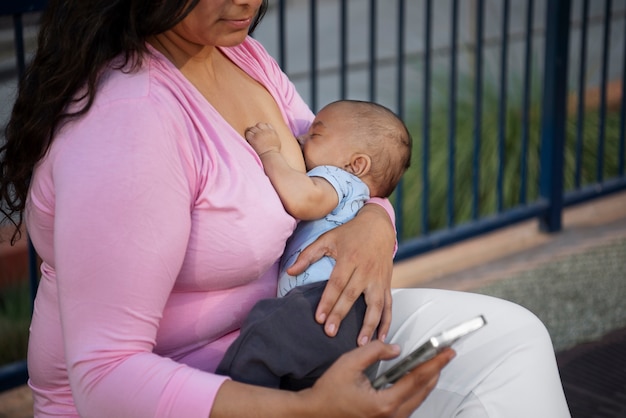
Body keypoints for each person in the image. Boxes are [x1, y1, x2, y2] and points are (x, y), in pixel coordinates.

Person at [0, 0, 571, 417]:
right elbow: (104, 378)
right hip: (208, 389)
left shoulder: (240, 55)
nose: (248, 0)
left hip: (291, 344)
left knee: (508, 339)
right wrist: (310, 411)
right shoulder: (129, 123)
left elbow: (343, 174)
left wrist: (376, 222)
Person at [216, 99, 412, 389]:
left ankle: (235, 399)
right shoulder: (357, 194)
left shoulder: (337, 178)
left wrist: (270, 152)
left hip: (322, 298)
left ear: (356, 164)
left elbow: (302, 199)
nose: (301, 138)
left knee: (263, 332)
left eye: (315, 135)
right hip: (343, 309)